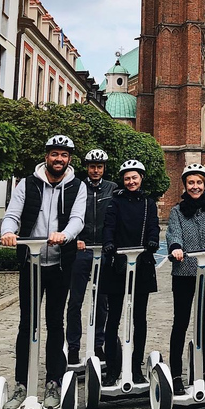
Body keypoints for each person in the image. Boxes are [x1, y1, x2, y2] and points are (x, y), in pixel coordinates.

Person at [0, 135, 87, 409]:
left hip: (60, 264)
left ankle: (53, 381)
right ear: (46, 156)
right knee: (27, 324)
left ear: (69, 159)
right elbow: (13, 213)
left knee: (55, 323)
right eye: (54, 154)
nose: (59, 159)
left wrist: (65, 234)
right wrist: (7, 232)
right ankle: (21, 383)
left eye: (64, 155)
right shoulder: (27, 183)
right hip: (31, 263)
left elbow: (78, 218)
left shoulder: (77, 186)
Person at [166, 163, 205, 396]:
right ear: (185, 185)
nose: (195, 186)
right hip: (184, 272)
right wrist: (175, 247)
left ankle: (204, 371)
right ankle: (175, 375)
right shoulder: (176, 211)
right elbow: (174, 233)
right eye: (191, 183)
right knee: (181, 323)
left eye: (199, 183)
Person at [100, 159, 160, 386]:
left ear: (141, 178)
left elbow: (153, 224)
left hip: (142, 262)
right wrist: (108, 244)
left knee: (139, 318)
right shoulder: (115, 202)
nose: (131, 181)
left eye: (134, 177)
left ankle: (136, 367)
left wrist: (153, 240)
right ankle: (112, 369)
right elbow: (109, 226)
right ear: (123, 181)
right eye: (127, 178)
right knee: (113, 317)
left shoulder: (148, 203)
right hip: (118, 263)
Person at [66, 149, 117, 365]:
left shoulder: (112, 188)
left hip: (103, 251)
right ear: (86, 167)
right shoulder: (77, 187)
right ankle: (74, 347)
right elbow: (69, 215)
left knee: (102, 302)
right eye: (92, 166)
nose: (95, 170)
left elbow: (115, 217)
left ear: (104, 168)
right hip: (81, 249)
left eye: (99, 166)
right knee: (75, 301)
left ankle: (98, 345)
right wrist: (74, 238)